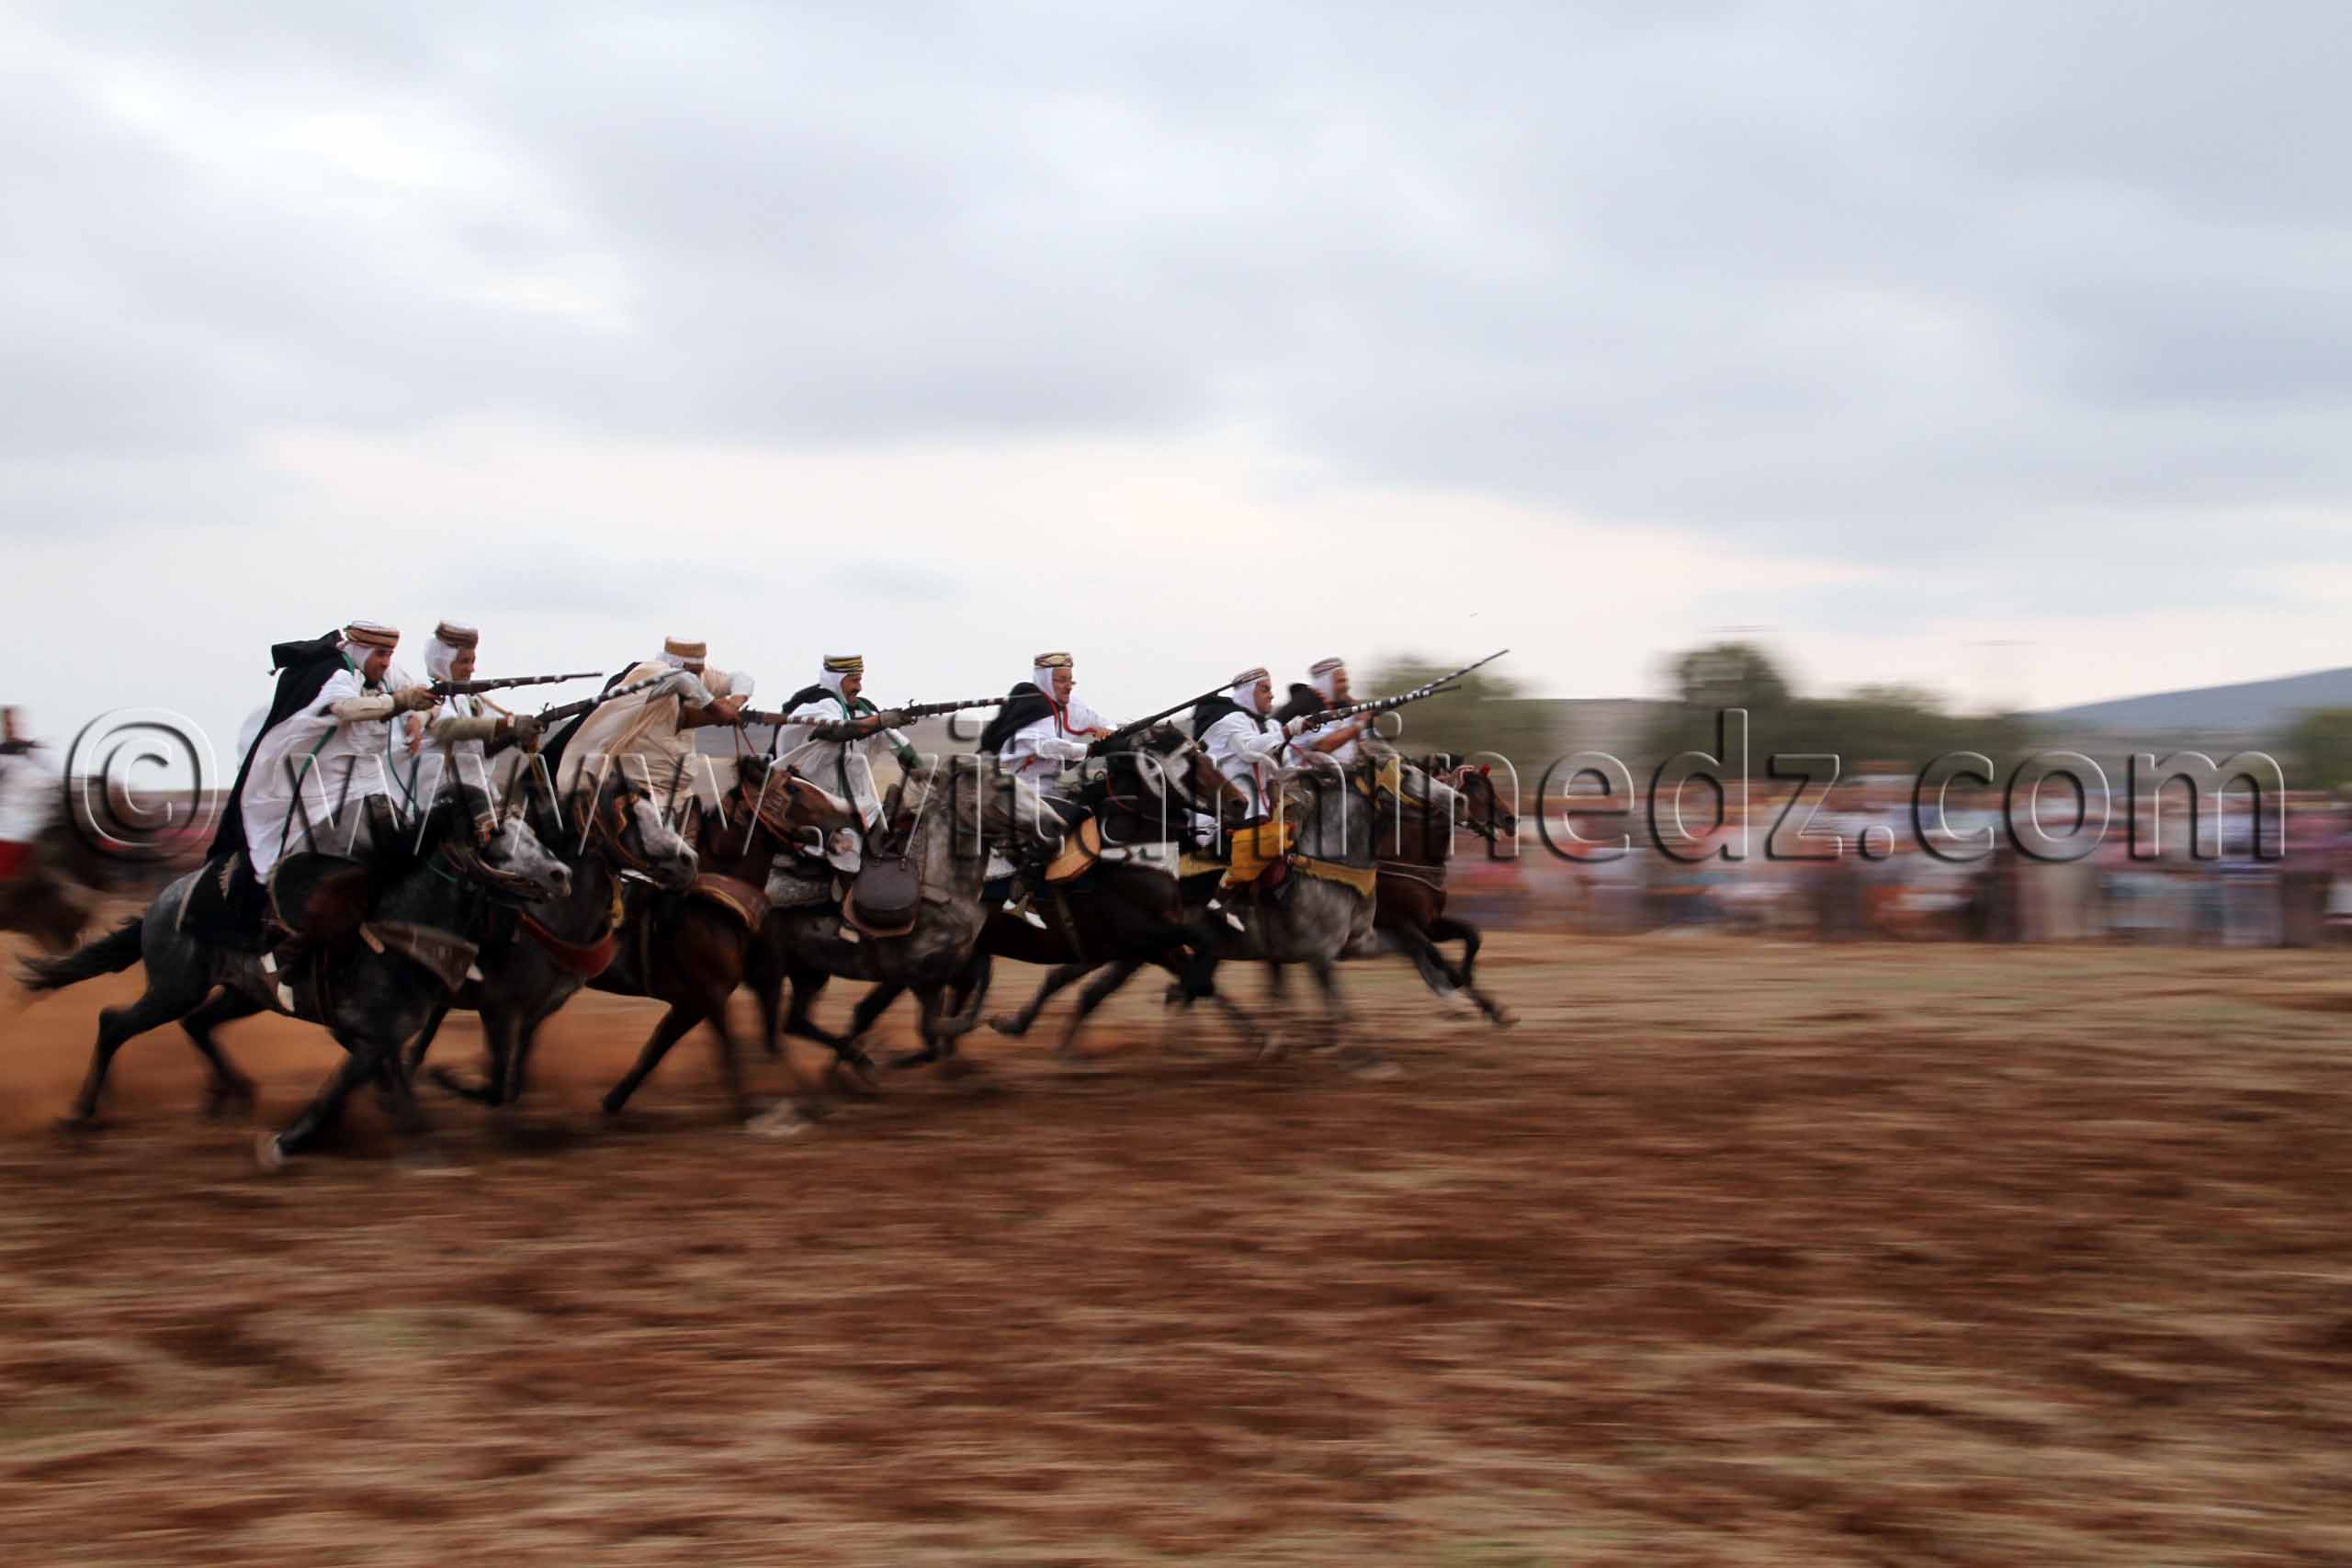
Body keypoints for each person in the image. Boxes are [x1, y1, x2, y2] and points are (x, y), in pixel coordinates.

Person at [230, 621, 440, 881]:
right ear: (361, 651)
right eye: (380, 654)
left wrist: (419, 716)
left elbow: (429, 696)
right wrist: (401, 701)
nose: (386, 662)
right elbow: (345, 708)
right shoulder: (337, 672)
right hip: (316, 786)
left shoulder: (388, 674)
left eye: (390, 655)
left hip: (367, 785)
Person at [553, 636, 748, 818]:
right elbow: (682, 680)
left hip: (679, 792)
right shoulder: (650, 673)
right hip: (635, 789)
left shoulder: (698, 677)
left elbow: (741, 678)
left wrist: (735, 703)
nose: (699, 676)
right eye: (693, 671)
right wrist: (718, 710)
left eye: (700, 671)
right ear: (677, 663)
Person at [772, 655, 916, 869]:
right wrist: (881, 720)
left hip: (859, 805)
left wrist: (921, 770)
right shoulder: (815, 705)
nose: (859, 686)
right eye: (854, 680)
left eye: (860, 679)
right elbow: (837, 731)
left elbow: (899, 744)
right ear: (836, 679)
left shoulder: (865, 710)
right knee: (849, 859)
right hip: (809, 806)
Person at [0, 707, 55, 882]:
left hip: (27, 829)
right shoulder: (4, 753)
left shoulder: (33, 752)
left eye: (15, 723)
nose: (12, 727)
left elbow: (51, 779)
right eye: (8, 724)